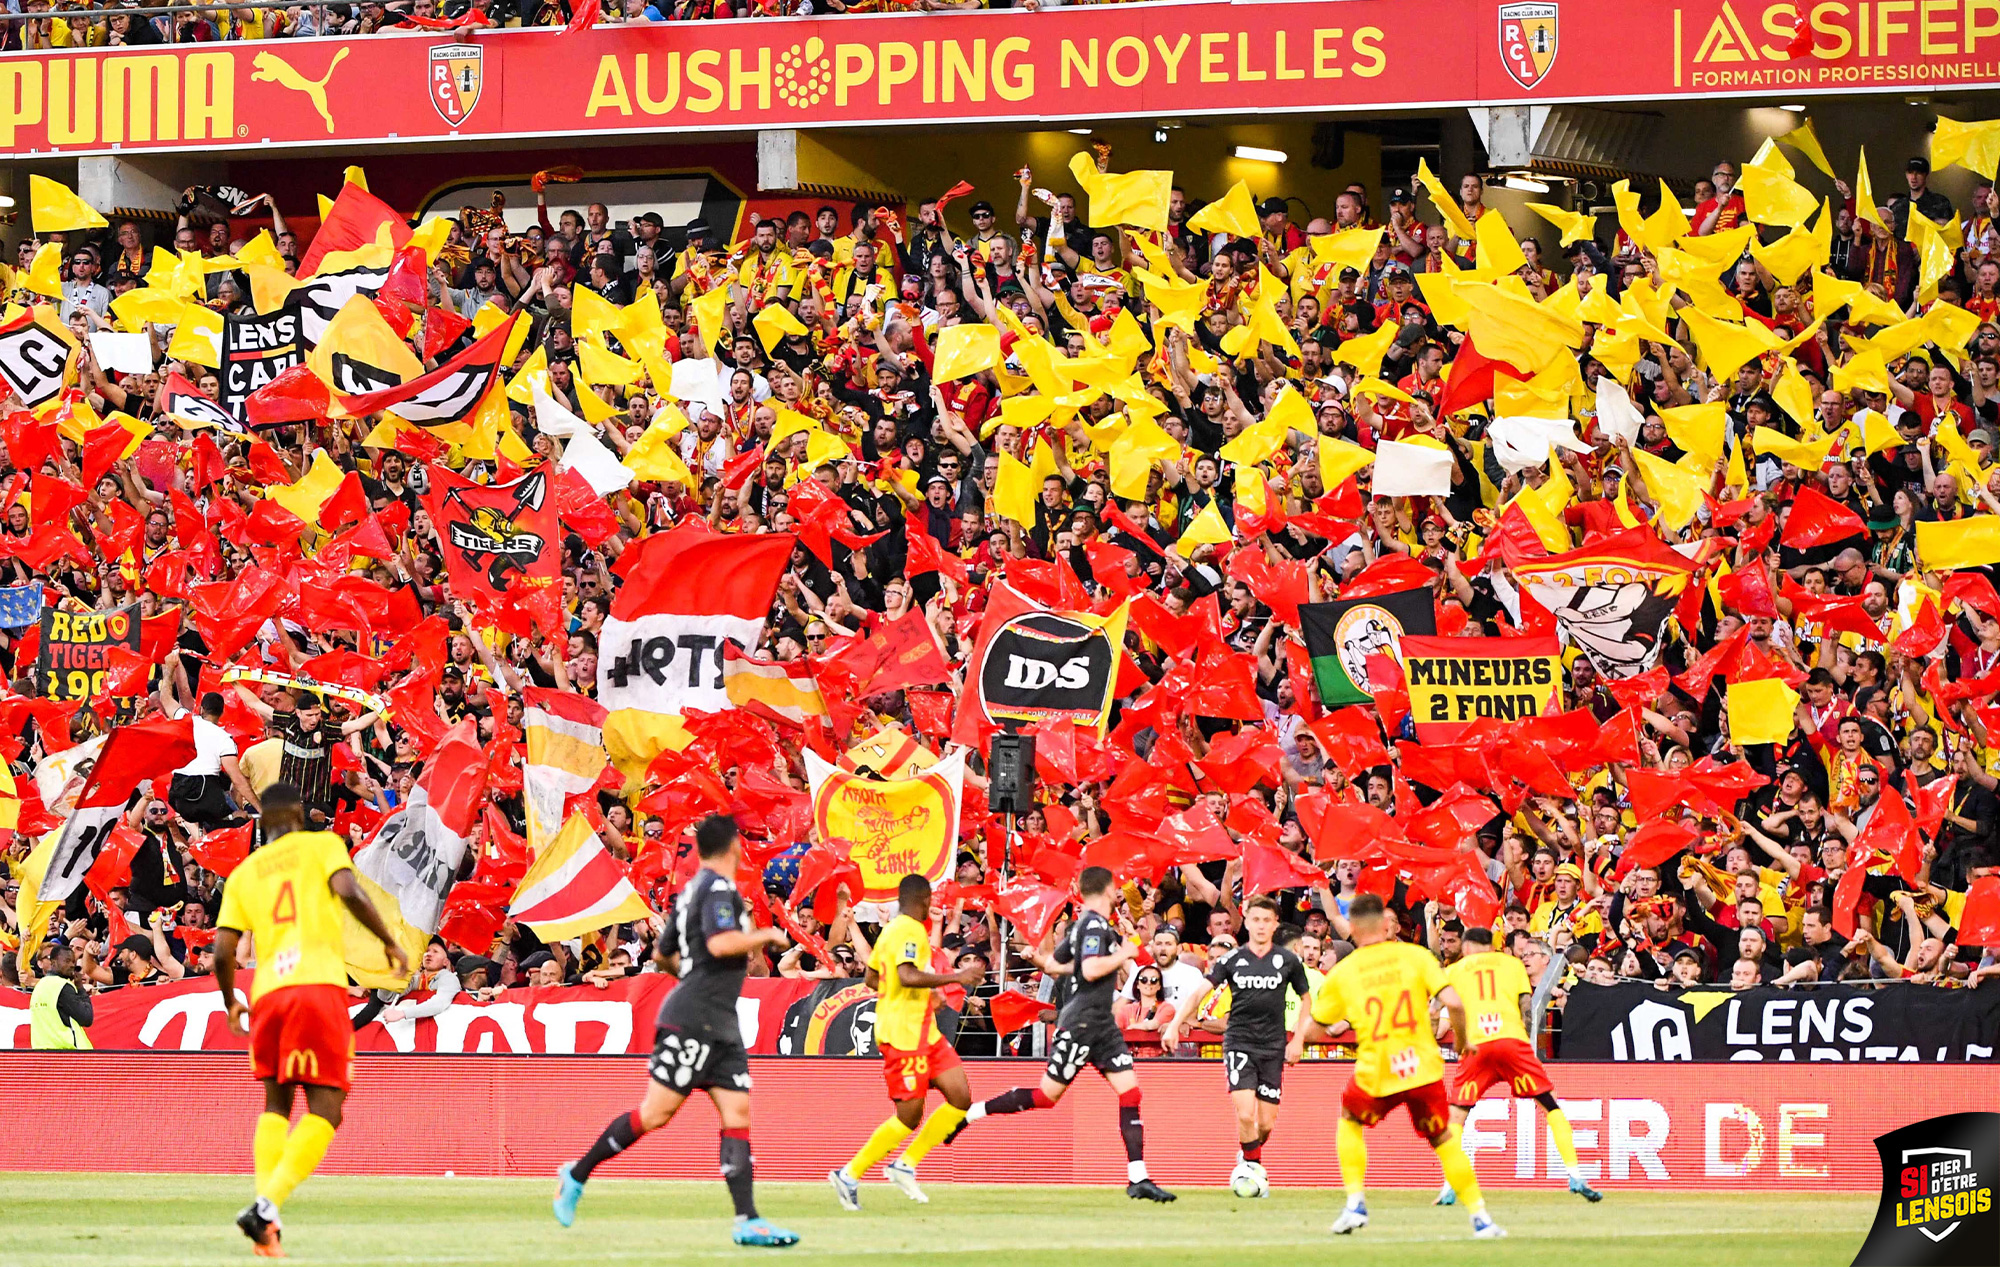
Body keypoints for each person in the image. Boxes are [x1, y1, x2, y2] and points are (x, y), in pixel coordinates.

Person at [552, 814, 799, 1248]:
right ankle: (575, 1174)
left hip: (718, 1022)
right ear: (734, 847)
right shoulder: (719, 890)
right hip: (693, 1021)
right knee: (655, 1115)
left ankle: (748, 1220)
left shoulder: (688, 895)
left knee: (737, 1114)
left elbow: (664, 954)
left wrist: (695, 975)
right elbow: (722, 944)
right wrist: (764, 934)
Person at [213, 782, 410, 1257]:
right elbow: (347, 890)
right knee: (327, 1108)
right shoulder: (323, 844)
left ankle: (267, 1222)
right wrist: (387, 940)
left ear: (263, 824)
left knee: (275, 1106)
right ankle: (266, 1205)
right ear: (300, 814)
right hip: (317, 986)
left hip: (267, 996)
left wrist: (230, 1002)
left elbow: (222, 950)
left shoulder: (244, 873)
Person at [955, 865, 1176, 1203]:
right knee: (1046, 1097)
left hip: (1100, 1023)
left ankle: (1138, 1177)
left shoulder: (1079, 928)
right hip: (1082, 1023)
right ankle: (972, 1112)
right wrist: (1124, 953)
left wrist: (1037, 957)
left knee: (1130, 1094)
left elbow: (1057, 966)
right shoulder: (1093, 925)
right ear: (1107, 890)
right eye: (1116, 887)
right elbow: (1088, 969)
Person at [1295, 893, 1503, 1239]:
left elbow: (1317, 1027)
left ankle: (1355, 1204)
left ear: (1353, 929)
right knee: (1444, 1138)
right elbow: (1454, 1003)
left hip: (1378, 1069)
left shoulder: (1344, 971)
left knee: (1349, 1119)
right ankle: (1481, 1218)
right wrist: (1463, 1042)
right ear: (1384, 924)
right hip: (1422, 1064)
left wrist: (1307, 1035)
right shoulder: (1416, 956)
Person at [827, 872, 984, 1209]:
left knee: (960, 1097)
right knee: (909, 1116)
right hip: (903, 1035)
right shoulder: (909, 930)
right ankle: (849, 1173)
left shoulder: (893, 931)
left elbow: (872, 978)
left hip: (924, 1029)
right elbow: (906, 975)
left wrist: (923, 995)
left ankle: (905, 1164)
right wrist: (957, 976)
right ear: (925, 899)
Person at [1434, 926, 1602, 1204]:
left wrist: (1462, 1041)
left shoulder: (1454, 970)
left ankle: (1449, 1185)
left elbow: (1452, 1012)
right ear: (1492, 945)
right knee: (1551, 1106)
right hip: (1512, 1042)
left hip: (1477, 1046)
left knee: (1456, 1117)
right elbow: (1526, 1006)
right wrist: (1523, 1042)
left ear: (1466, 947)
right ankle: (1575, 1174)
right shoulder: (1512, 964)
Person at [1157, 895, 1311, 1193]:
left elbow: (1306, 998)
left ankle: (1249, 1156)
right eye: (1256, 920)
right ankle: (1252, 1169)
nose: (1261, 926)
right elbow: (1199, 993)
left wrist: (1299, 1039)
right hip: (1239, 1043)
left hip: (1273, 1046)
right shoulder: (1233, 959)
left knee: (1265, 1123)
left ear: (1275, 924)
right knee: (1244, 1113)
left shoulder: (1288, 961)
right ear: (1247, 922)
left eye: (1267, 920)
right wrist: (1176, 1024)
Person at [28, 943, 93, 1050]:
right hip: (67, 1053)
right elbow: (86, 1018)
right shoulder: (63, 986)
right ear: (53, 963)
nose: (72, 965)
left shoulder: (39, 986)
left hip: (41, 1052)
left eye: (73, 961)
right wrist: (80, 988)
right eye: (67, 961)